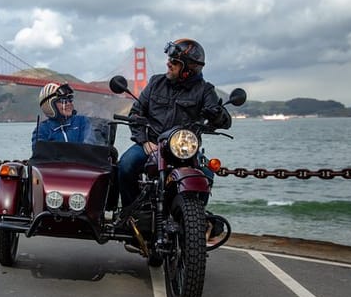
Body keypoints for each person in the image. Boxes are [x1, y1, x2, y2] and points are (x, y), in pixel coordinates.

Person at [117, 38, 232, 207]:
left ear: (188, 70)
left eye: (175, 62)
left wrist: (217, 114)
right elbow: (136, 113)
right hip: (152, 144)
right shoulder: (156, 83)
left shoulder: (205, 90)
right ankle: (131, 214)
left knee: (207, 171)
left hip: (184, 151)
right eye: (170, 59)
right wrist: (143, 141)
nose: (168, 63)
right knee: (125, 165)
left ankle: (195, 219)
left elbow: (225, 122)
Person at [31, 82, 95, 150]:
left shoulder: (82, 121)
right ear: (49, 105)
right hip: (55, 161)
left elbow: (89, 146)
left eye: (69, 100)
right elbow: (39, 153)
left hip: (81, 160)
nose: (68, 103)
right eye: (63, 101)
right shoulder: (42, 129)